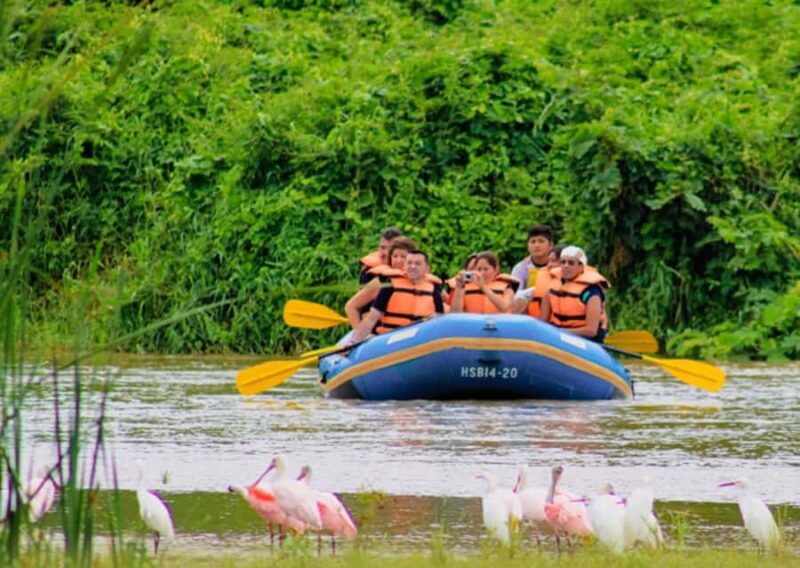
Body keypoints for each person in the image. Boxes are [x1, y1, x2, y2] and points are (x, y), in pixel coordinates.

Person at [349, 250, 444, 344]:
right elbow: (371, 318)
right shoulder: (392, 285)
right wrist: (353, 342)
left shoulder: (433, 289)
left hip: (419, 340)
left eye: (418, 264)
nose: (412, 266)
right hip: (390, 339)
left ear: (426, 268)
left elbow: (440, 318)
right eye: (409, 263)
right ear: (405, 266)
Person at [539, 246, 609, 342]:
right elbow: (542, 322)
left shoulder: (591, 292)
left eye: (571, 263)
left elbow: (591, 331)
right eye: (563, 262)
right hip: (558, 335)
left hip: (585, 339)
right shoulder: (552, 287)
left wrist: (560, 332)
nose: (566, 266)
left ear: (581, 267)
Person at [344, 237, 417, 329]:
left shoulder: (423, 281)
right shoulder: (383, 281)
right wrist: (360, 334)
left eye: (403, 257)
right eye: (395, 256)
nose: (398, 261)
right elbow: (351, 306)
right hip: (385, 335)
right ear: (390, 259)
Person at [451, 252, 518, 314]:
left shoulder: (507, 287)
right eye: (479, 269)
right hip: (473, 324)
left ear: (495, 270)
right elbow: (455, 313)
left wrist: (483, 287)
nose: (482, 273)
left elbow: (504, 307)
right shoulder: (465, 287)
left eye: (486, 269)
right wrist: (459, 288)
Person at [512, 245, 563, 315]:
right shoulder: (544, 277)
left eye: (554, 261)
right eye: (549, 261)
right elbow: (530, 293)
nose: (550, 265)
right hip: (539, 320)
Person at [511, 224, 554, 289]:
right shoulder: (520, 268)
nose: (536, 245)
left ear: (551, 245)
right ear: (528, 246)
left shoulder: (558, 266)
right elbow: (515, 294)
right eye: (533, 242)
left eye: (541, 241)